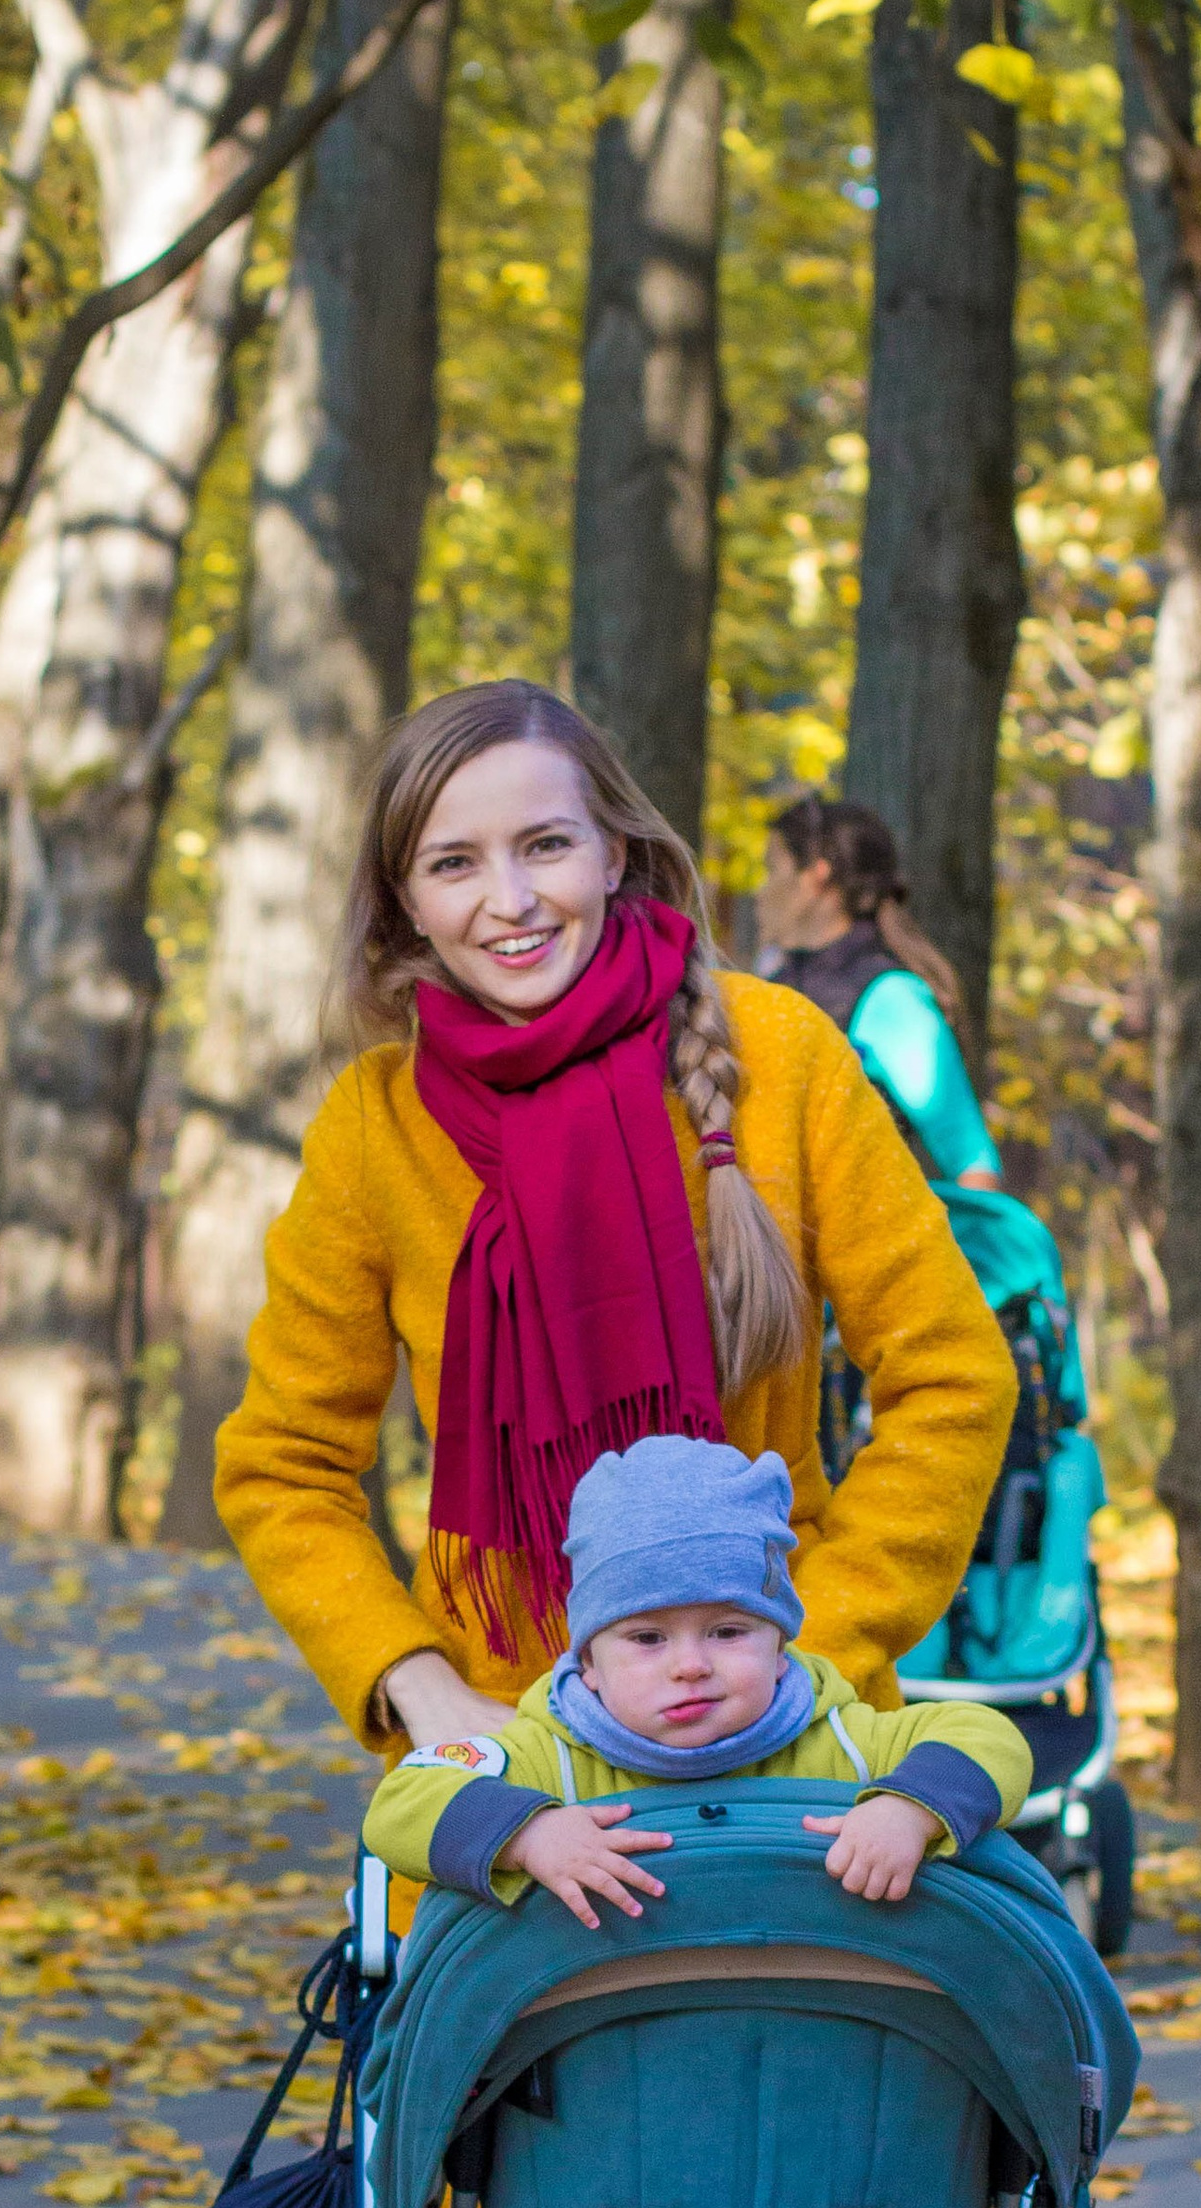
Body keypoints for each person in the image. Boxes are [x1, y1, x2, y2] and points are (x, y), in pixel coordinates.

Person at [212, 682, 1016, 1764]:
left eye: (544, 845)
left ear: (615, 855)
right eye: (454, 863)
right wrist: (416, 1684)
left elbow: (956, 1375)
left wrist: (804, 1646)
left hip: (796, 1747)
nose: (509, 901)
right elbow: (282, 1463)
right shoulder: (375, 1129)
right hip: (516, 1758)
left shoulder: (780, 1056)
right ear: (403, 899)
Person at [362, 1436, 1030, 1927]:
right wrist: (528, 1834)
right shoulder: (546, 1760)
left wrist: (907, 1808)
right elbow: (402, 1806)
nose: (690, 1665)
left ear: (780, 1644)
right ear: (588, 1663)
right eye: (647, 1639)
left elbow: (986, 1736)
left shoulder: (845, 1742)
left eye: (728, 1632)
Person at [757, 795, 1005, 1191]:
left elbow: (972, 1161)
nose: (762, 890)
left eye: (772, 870)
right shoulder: (775, 986)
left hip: (853, 1246)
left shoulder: (890, 997)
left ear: (816, 877)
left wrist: (963, 1252)